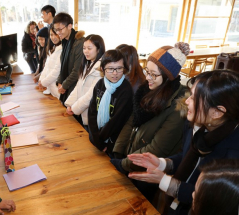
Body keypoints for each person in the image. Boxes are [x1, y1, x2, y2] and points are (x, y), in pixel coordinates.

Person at [127, 70, 239, 215]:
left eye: (194, 98)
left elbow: (211, 198)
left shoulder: (233, 153)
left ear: (217, 112)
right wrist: (162, 164)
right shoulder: (196, 125)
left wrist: (165, 181)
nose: (186, 101)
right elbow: (185, 156)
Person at [111, 42, 189, 201]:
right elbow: (132, 121)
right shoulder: (147, 90)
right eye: (147, 71)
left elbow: (158, 147)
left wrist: (125, 163)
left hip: (148, 172)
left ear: (168, 76)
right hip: (131, 159)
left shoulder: (180, 105)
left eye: (153, 74)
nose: (147, 78)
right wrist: (118, 151)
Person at [88, 49, 133, 157]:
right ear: (103, 68)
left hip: (112, 143)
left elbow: (116, 122)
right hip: (97, 139)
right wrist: (95, 138)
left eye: (119, 69)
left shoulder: (126, 90)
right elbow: (92, 111)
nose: (115, 73)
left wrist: (100, 140)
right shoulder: (100, 84)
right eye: (110, 69)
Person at [65, 34, 105, 129]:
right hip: (82, 111)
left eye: (89, 48)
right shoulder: (88, 64)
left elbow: (91, 95)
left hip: (91, 114)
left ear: (98, 49)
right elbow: (78, 86)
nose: (86, 51)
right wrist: (70, 104)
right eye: (84, 48)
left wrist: (74, 108)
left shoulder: (100, 68)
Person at [53, 12, 85, 104]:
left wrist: (64, 85)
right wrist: (59, 82)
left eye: (60, 29)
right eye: (56, 30)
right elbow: (62, 66)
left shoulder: (79, 42)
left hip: (75, 87)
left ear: (69, 26)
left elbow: (77, 71)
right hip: (66, 85)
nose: (58, 33)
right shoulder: (65, 42)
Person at [38, 26, 62, 98]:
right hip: (50, 90)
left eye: (56, 34)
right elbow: (46, 67)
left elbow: (56, 71)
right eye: (51, 35)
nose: (53, 37)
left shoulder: (62, 49)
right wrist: (41, 80)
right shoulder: (52, 48)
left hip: (57, 91)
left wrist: (43, 83)